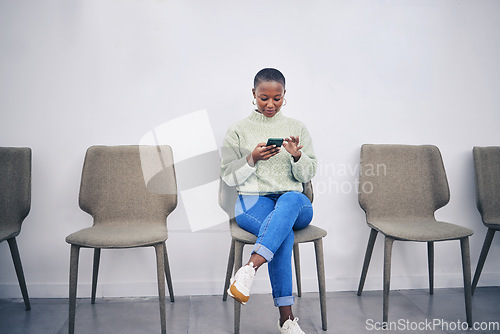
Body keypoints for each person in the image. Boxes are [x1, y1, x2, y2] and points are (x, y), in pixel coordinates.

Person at [220, 68, 317, 334]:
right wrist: (252, 159)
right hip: (252, 202)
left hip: (295, 203)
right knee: (280, 232)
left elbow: (308, 173)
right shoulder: (238, 130)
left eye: (277, 98)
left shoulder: (297, 127)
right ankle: (287, 320)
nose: (270, 104)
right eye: (264, 98)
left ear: (285, 95)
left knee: (290, 200)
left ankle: (250, 267)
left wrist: (297, 156)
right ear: (253, 94)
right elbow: (228, 176)